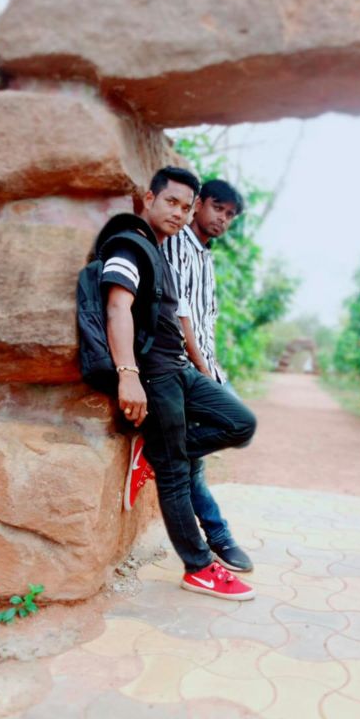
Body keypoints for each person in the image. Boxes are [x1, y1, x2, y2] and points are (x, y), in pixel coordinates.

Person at [101, 166, 257, 601]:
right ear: (149, 198)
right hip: (157, 372)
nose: (179, 213)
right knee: (177, 474)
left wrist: (203, 370)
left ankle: (158, 453)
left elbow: (184, 311)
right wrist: (129, 375)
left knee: (240, 423)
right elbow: (118, 308)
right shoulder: (131, 244)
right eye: (172, 202)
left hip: (183, 369)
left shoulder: (163, 249)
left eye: (185, 207)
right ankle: (200, 566)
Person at [162, 179, 253, 573]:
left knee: (239, 428)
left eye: (230, 215)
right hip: (184, 368)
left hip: (208, 367)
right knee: (195, 467)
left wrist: (213, 367)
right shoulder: (177, 244)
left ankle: (167, 451)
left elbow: (205, 319)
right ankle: (219, 537)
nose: (223, 219)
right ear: (198, 204)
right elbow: (179, 312)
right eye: (218, 208)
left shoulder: (204, 255)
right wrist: (201, 368)